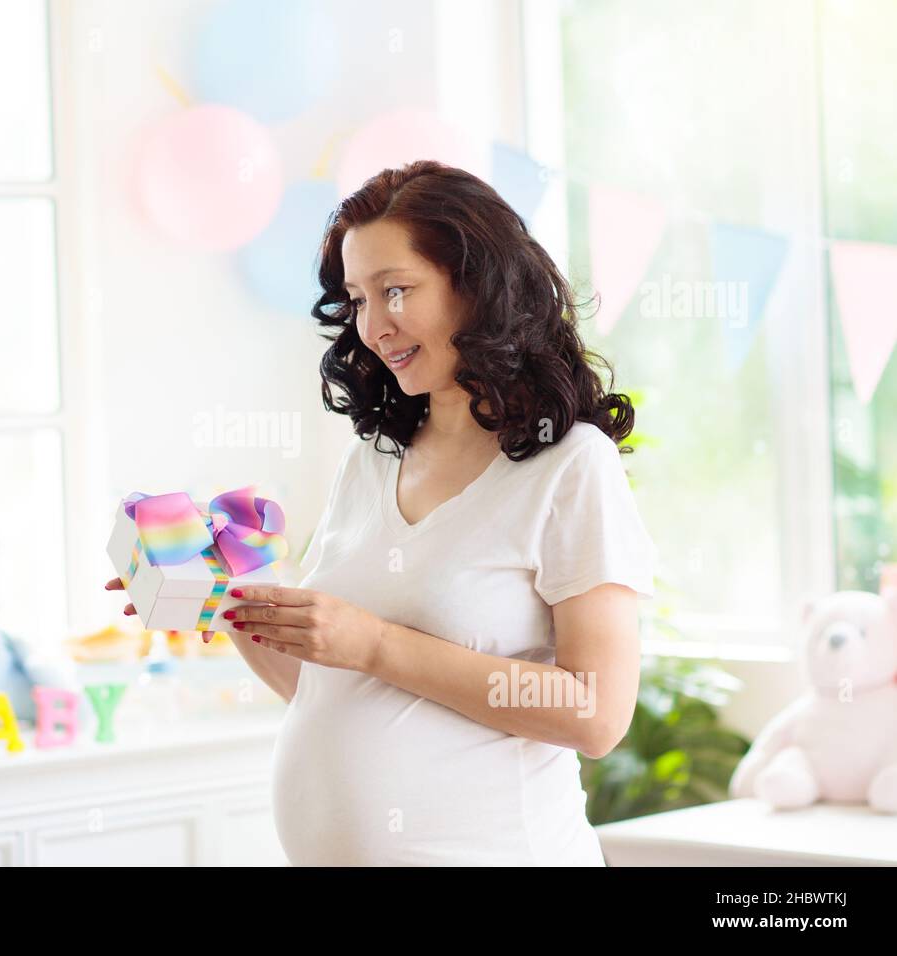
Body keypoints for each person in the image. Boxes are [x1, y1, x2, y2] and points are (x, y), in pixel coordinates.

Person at [108, 160, 658, 865]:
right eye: (357, 299)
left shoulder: (571, 466)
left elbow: (596, 714)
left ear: (477, 285)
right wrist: (219, 602)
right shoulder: (371, 461)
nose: (373, 326)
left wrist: (376, 643)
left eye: (395, 290)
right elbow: (325, 686)